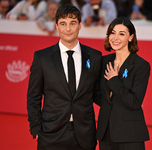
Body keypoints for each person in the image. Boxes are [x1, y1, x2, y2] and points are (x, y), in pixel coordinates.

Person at [27, 4, 102, 150]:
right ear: (56, 26)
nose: (68, 29)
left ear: (79, 25)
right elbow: (33, 96)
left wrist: (123, 102)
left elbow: (98, 94)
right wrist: (35, 126)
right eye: (63, 24)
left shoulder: (94, 56)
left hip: (85, 133)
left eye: (72, 23)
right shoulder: (42, 58)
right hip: (51, 133)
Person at [96, 17, 150, 150]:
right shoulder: (103, 62)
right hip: (105, 131)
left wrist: (114, 81)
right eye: (112, 33)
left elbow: (135, 102)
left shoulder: (140, 65)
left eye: (122, 34)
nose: (115, 38)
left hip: (130, 133)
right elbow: (96, 94)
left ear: (131, 37)